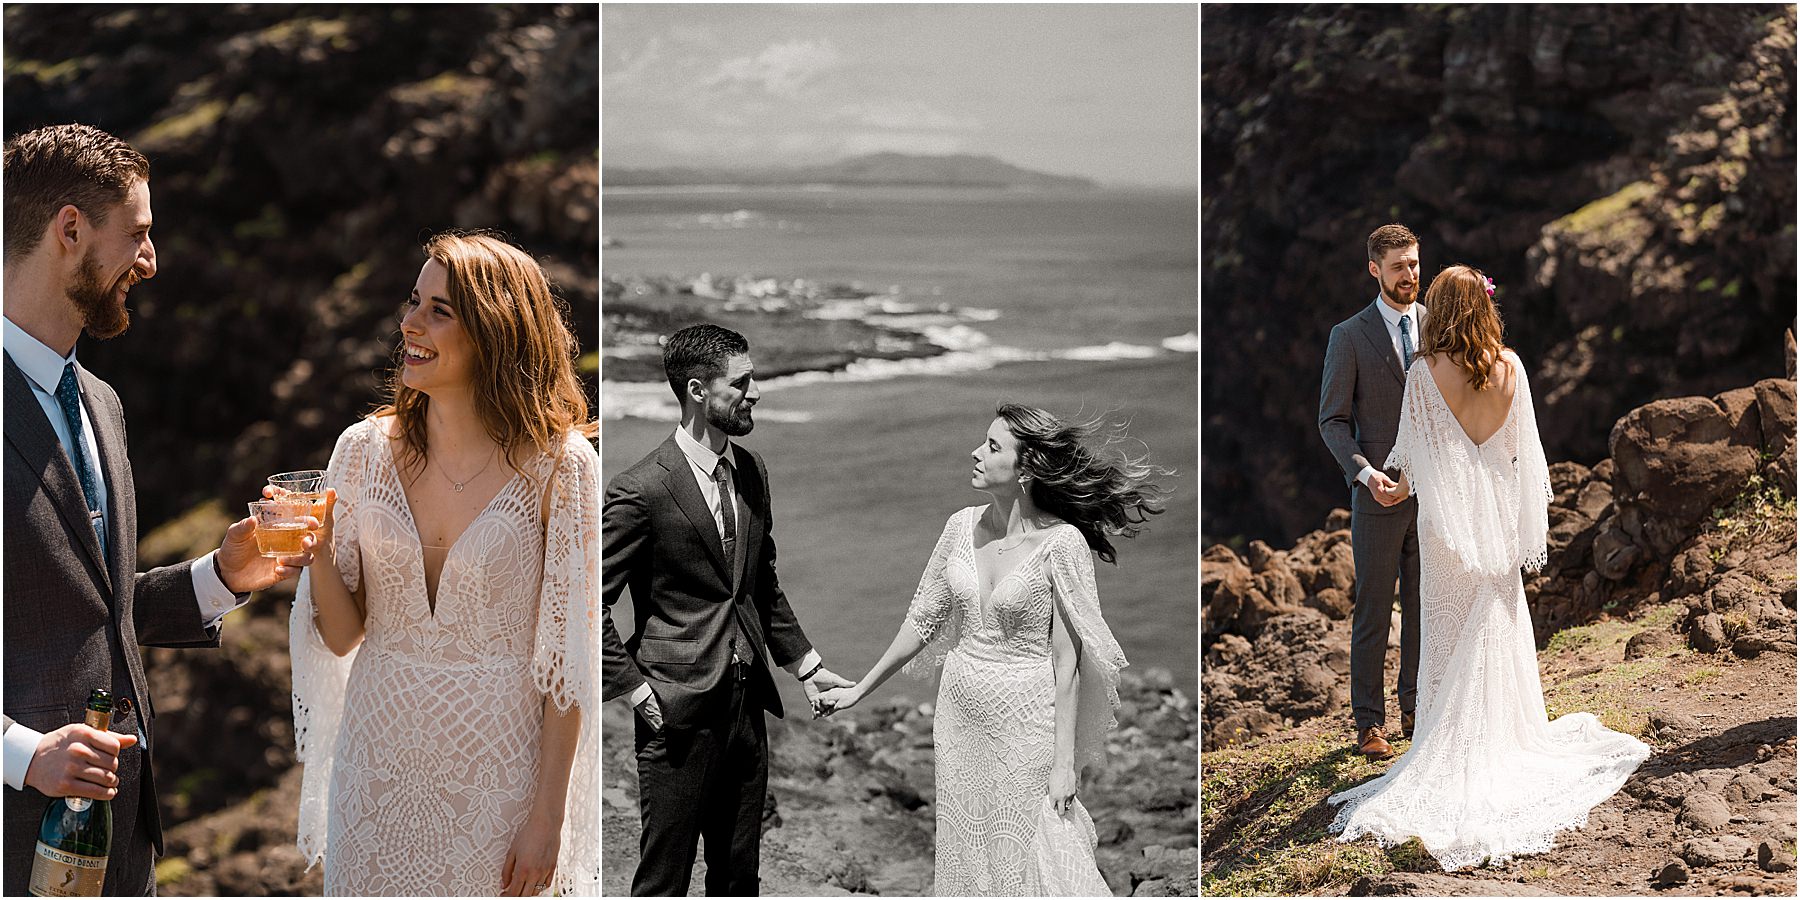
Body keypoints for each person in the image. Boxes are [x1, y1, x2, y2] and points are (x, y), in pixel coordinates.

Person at [1, 123, 319, 895]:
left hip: (121, 845)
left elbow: (89, 614)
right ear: (69, 229)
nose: (151, 260)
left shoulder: (101, 405)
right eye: (138, 234)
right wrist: (19, 754)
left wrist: (221, 575)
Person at [289, 232, 599, 896]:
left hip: (499, 779)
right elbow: (344, 636)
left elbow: (568, 666)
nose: (409, 323)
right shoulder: (363, 451)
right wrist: (313, 551)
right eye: (413, 301)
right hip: (374, 770)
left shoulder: (560, 467)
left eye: (440, 310)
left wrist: (548, 822)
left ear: (496, 332)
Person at [1327, 264, 1651, 869]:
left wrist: (1383, 486)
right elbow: (1524, 455)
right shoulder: (1512, 367)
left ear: (1442, 311)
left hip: (1448, 525)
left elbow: (1410, 461)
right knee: (1496, 627)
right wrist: (1512, 513)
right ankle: (1504, 735)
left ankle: (1448, 741)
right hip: (1497, 516)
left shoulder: (1425, 374)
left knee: (1447, 634)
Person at [818, 404, 1168, 896]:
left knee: (1036, 844)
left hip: (1027, 720)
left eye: (993, 446)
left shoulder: (1061, 543)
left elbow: (1067, 664)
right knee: (966, 845)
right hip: (959, 717)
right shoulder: (959, 527)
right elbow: (921, 622)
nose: (976, 453)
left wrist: (1064, 764)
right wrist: (859, 690)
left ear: (1026, 469)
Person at [601, 323, 855, 896]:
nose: (755, 392)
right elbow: (590, 601)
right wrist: (636, 691)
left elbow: (759, 585)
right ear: (698, 391)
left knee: (738, 878)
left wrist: (807, 668)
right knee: (663, 881)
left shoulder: (753, 471)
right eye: (741, 383)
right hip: (676, 713)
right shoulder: (639, 490)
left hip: (746, 711)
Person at [1318, 223, 1427, 760]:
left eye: (1414, 264)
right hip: (1377, 495)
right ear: (1374, 270)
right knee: (1374, 611)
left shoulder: (1439, 327)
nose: (1409, 275)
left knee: (1424, 604)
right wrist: (1365, 474)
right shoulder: (1349, 335)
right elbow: (1332, 422)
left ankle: (1415, 708)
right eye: (1399, 266)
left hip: (1433, 494)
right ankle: (1369, 724)